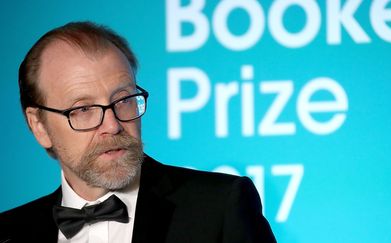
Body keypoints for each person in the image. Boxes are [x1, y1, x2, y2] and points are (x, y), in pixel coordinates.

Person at [0, 21, 276, 243]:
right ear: (39, 127)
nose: (112, 125)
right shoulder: (9, 232)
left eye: (123, 100)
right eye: (83, 109)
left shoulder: (218, 208)